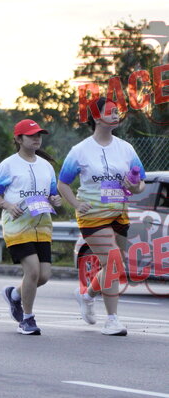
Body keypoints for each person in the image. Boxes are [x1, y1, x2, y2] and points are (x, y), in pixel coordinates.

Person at [57, 97, 145, 336]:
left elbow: (140, 184)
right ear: (96, 117)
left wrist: (134, 186)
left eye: (117, 112)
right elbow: (63, 183)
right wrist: (76, 204)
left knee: (114, 265)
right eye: (111, 111)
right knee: (113, 260)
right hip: (93, 216)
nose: (116, 115)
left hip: (119, 214)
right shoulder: (80, 151)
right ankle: (112, 320)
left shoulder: (126, 148)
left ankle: (87, 295)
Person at [0, 119, 61, 335]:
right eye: (31, 135)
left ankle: (14, 295)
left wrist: (56, 200)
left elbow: (52, 194)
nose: (36, 139)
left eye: (39, 135)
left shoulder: (46, 166)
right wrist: (8, 206)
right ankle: (27, 319)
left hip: (42, 226)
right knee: (32, 271)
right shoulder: (8, 165)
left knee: (43, 276)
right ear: (18, 139)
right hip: (17, 226)